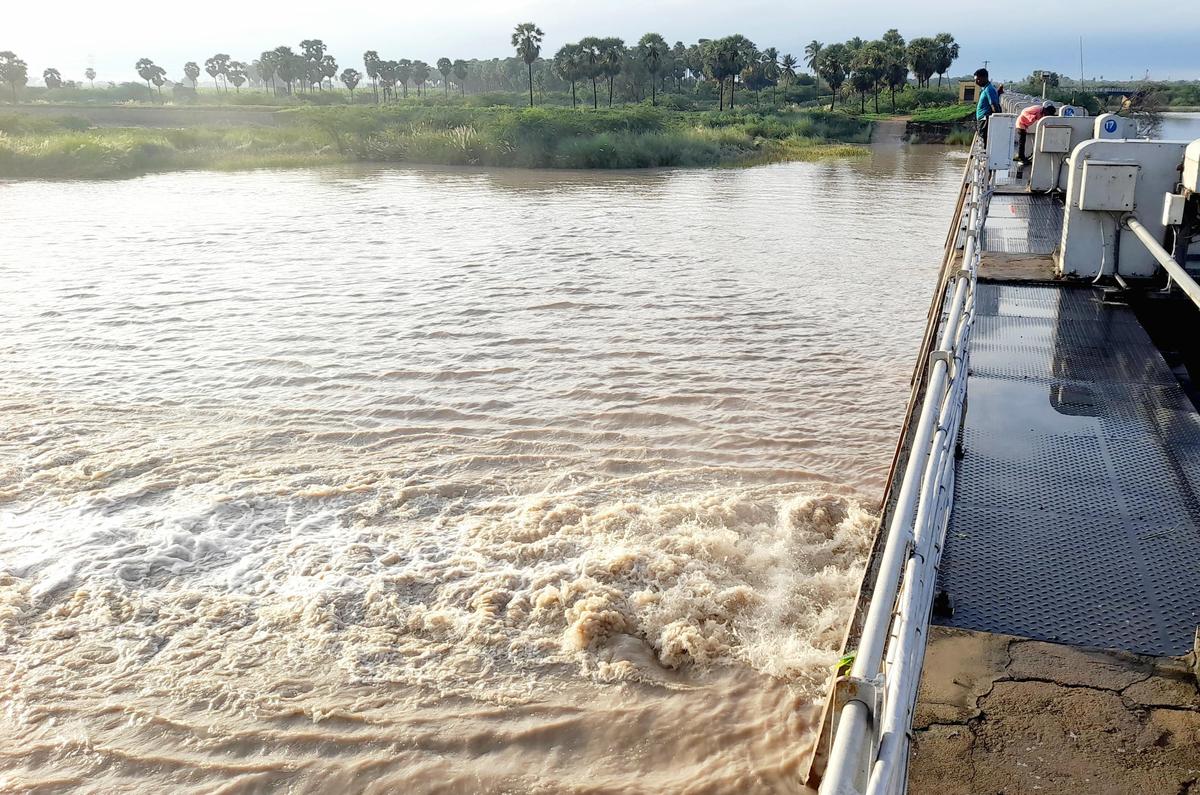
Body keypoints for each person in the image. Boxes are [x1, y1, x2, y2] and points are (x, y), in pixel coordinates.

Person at [1013, 100, 1057, 164]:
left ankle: (1021, 156)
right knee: (1022, 141)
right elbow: (1024, 111)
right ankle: (1021, 157)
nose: (1047, 115)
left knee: (1022, 141)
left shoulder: (1043, 113)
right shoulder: (1038, 108)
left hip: (1025, 125)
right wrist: (1032, 117)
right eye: (1048, 113)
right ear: (1046, 110)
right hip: (1021, 123)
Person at [974, 68, 1002, 143]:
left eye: (978, 79)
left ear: (985, 78)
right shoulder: (986, 88)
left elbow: (994, 106)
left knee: (985, 142)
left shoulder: (989, 89)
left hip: (985, 121)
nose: (976, 82)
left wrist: (997, 121)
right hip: (982, 120)